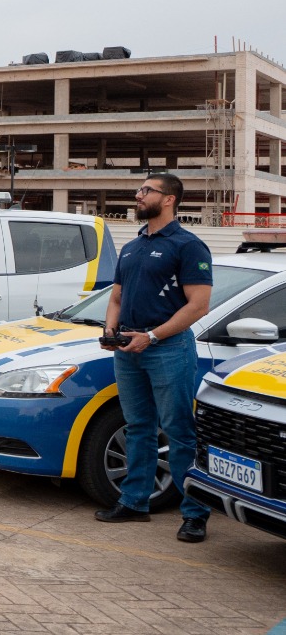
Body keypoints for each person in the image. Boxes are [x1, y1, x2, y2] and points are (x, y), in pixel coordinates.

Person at [97, 172, 214, 543]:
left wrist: (151, 336)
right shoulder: (132, 247)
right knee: (138, 428)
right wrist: (111, 331)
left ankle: (195, 514)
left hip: (168, 349)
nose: (137, 195)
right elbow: (116, 296)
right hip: (128, 350)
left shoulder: (187, 245)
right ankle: (134, 502)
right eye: (139, 189)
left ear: (169, 200)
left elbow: (198, 306)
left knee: (179, 431)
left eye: (146, 190)